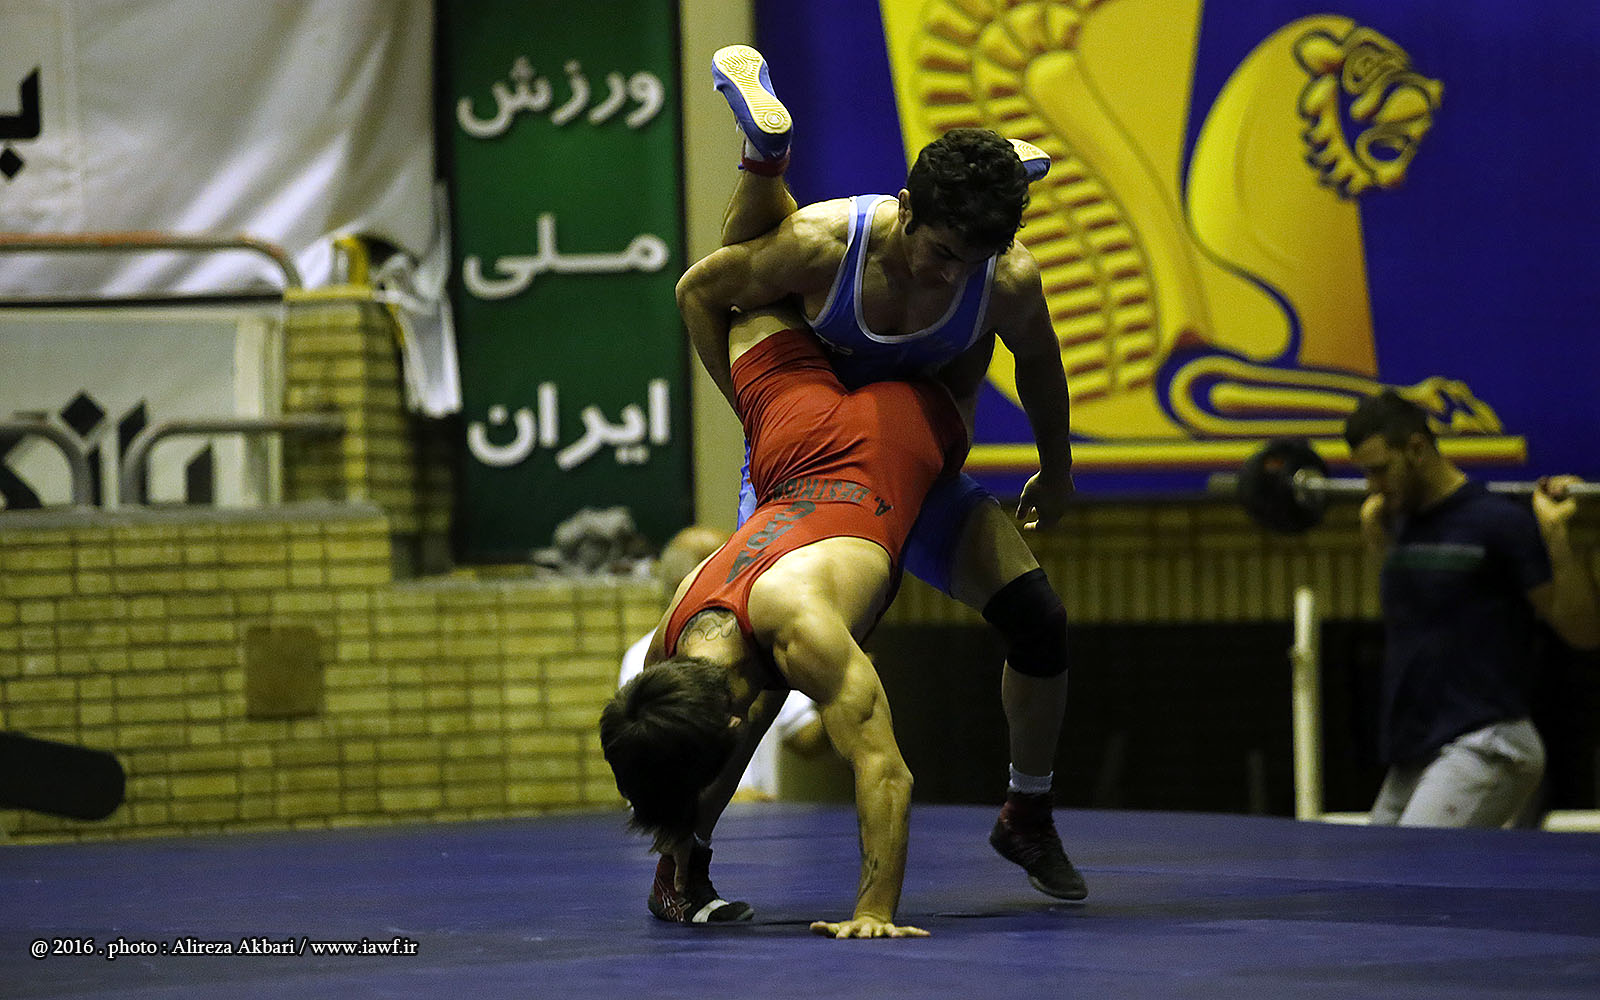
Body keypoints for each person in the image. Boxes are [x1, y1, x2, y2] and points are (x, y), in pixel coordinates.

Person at [674, 45, 1085, 900]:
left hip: (909, 474)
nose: (950, 275)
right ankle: (683, 863)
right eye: (940, 251)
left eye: (970, 261)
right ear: (903, 209)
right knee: (767, 666)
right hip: (807, 472)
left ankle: (1028, 813)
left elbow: (1042, 367)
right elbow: (700, 291)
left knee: (1040, 621)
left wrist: (1058, 470)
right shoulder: (828, 242)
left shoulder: (1004, 277)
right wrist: (753, 414)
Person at [600, 302, 971, 938]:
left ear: (732, 721)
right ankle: (679, 877)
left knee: (972, 317)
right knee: (747, 301)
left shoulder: (803, 630)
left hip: (898, 431)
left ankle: (1031, 798)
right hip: (797, 447)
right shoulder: (673, 635)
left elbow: (884, 768)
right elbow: (665, 765)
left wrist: (873, 912)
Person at [1345, 390, 1600, 827]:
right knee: (1367, 868)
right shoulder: (1398, 522)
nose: (1372, 486)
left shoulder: (1498, 522)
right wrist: (1379, 540)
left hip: (1486, 742)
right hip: (1419, 748)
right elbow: (1419, 621)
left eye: (1380, 470)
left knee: (1408, 869)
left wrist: (1558, 540)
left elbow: (1584, 632)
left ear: (1417, 449)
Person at [619, 524, 827, 800]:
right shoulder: (645, 656)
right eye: (726, 566)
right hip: (685, 817)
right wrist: (725, 799)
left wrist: (835, 688)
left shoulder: (761, 643)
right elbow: (653, 761)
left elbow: (806, 740)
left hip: (759, 817)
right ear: (686, 582)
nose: (742, 574)